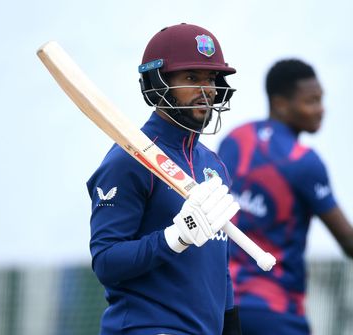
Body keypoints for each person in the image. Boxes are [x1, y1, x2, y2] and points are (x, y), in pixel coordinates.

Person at [217, 59, 353, 335]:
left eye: (321, 100)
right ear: (279, 104)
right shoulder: (302, 161)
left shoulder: (236, 139)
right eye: (311, 101)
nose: (321, 110)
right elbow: (349, 241)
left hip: (222, 306)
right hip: (275, 310)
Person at [87, 23, 243, 335]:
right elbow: (106, 261)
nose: (207, 90)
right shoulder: (128, 160)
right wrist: (176, 237)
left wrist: (231, 327)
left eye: (210, 78)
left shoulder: (214, 165)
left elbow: (217, 263)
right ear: (157, 83)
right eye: (191, 78)